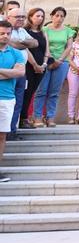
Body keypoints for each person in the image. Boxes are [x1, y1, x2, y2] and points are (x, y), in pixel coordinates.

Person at [33, 6, 73, 127]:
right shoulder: (44, 29)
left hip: (62, 63)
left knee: (54, 92)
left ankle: (50, 117)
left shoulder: (68, 31)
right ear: (51, 16)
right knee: (41, 90)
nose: (59, 18)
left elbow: (69, 47)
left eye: (62, 16)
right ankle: (38, 117)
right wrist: (50, 60)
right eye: (57, 15)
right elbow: (45, 46)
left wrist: (59, 61)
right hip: (46, 61)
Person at [0, 20, 28, 182]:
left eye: (8, 33)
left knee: (2, 136)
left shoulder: (16, 53)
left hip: (7, 99)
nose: (5, 36)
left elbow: (19, 73)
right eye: (2, 33)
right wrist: (9, 72)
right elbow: (13, 72)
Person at [19, 8, 46, 130]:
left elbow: (47, 50)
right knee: (26, 92)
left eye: (42, 16)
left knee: (31, 92)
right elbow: (26, 49)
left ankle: (24, 117)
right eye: (37, 16)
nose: (40, 18)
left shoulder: (42, 32)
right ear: (30, 17)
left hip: (41, 67)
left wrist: (43, 65)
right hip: (29, 66)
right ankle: (22, 118)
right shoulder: (24, 31)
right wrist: (35, 65)